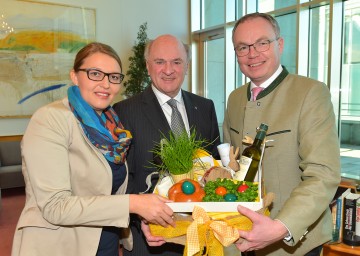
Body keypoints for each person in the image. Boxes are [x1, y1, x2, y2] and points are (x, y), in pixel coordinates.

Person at [11, 42, 175, 256]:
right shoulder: (50, 119)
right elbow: (55, 206)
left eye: (114, 77)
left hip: (105, 241)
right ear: (74, 75)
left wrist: (139, 218)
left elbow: (107, 192)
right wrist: (133, 204)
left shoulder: (112, 127)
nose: (106, 84)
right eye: (95, 74)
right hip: (60, 245)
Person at [224, 13, 341, 256]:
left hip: (291, 242)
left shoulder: (310, 93)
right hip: (239, 238)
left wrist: (281, 227)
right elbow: (232, 164)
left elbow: (323, 174)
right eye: (242, 47)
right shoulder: (235, 99)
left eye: (262, 43)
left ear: (280, 44)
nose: (252, 54)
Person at [113, 34, 221, 256]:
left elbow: (214, 167)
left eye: (177, 62)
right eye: (160, 62)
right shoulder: (124, 111)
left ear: (187, 66)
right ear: (148, 66)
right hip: (152, 236)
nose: (168, 70)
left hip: (202, 232)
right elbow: (123, 178)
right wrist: (143, 214)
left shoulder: (205, 107)